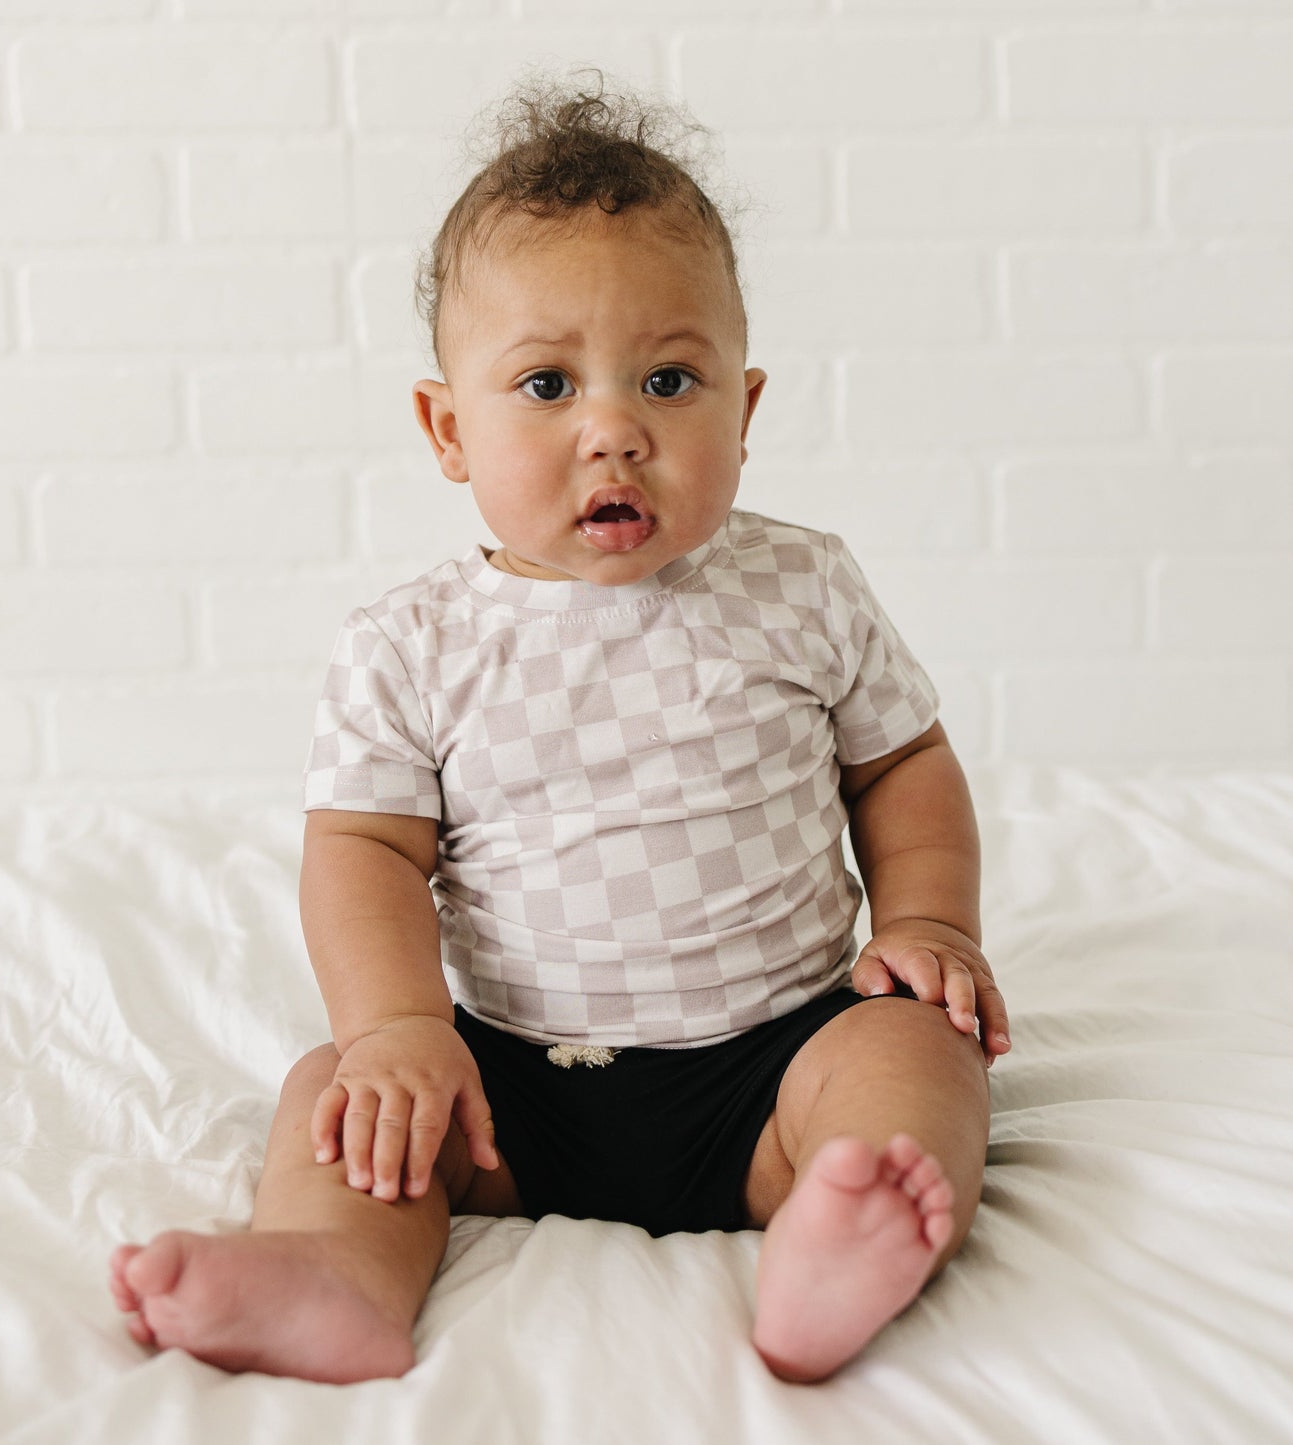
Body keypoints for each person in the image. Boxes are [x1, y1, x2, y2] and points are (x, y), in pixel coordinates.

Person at [109, 74, 1011, 1387]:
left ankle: (840, 1231)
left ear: (742, 413)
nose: (613, 430)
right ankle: (342, 1270)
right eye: (544, 383)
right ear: (446, 428)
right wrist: (399, 1028)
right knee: (336, 1097)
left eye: (666, 377)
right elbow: (360, 846)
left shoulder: (801, 585)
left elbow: (902, 765)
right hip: (503, 1089)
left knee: (912, 1058)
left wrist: (928, 924)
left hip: (774, 1063)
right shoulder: (408, 642)